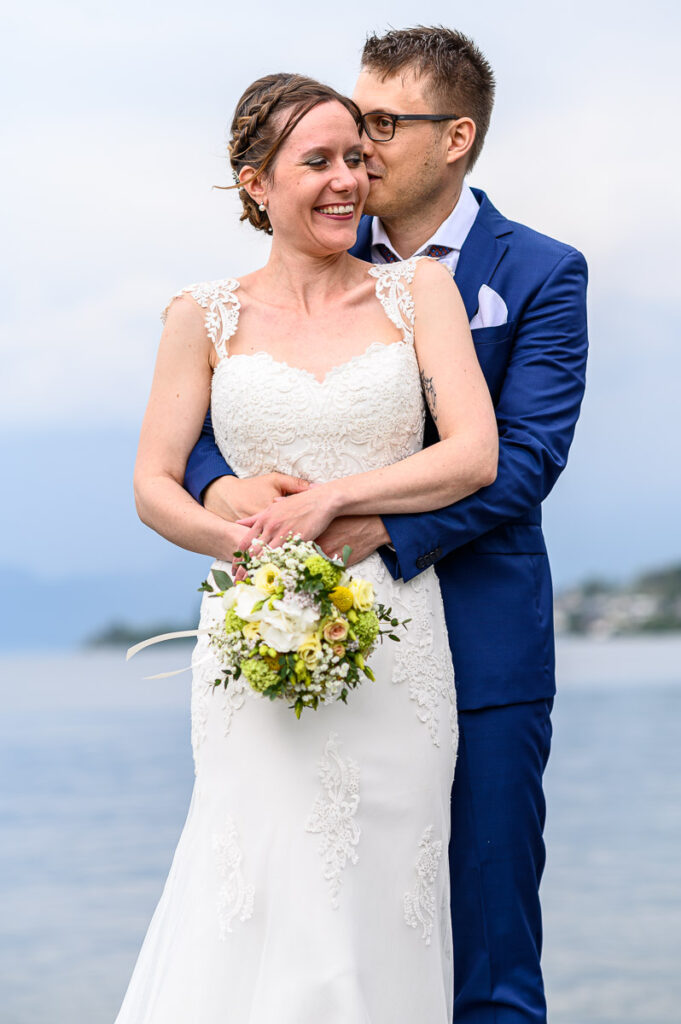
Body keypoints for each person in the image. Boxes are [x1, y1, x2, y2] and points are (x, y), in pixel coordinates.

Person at [185, 28, 589, 1024]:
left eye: (379, 126)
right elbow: (207, 427)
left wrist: (383, 532)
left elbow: (525, 459)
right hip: (315, 647)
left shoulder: (540, 271)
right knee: (324, 929)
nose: (355, 153)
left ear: (456, 138)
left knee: (488, 947)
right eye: (344, 131)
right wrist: (225, 495)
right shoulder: (311, 253)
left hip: (481, 647)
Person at [115, 73, 498, 1023]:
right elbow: (153, 486)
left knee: (381, 898)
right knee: (249, 880)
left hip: (396, 648)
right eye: (317, 162)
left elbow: (473, 455)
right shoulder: (200, 315)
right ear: (256, 183)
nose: (346, 181)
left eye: (356, 160)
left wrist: (335, 499)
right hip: (255, 634)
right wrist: (247, 548)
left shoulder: (419, 292)